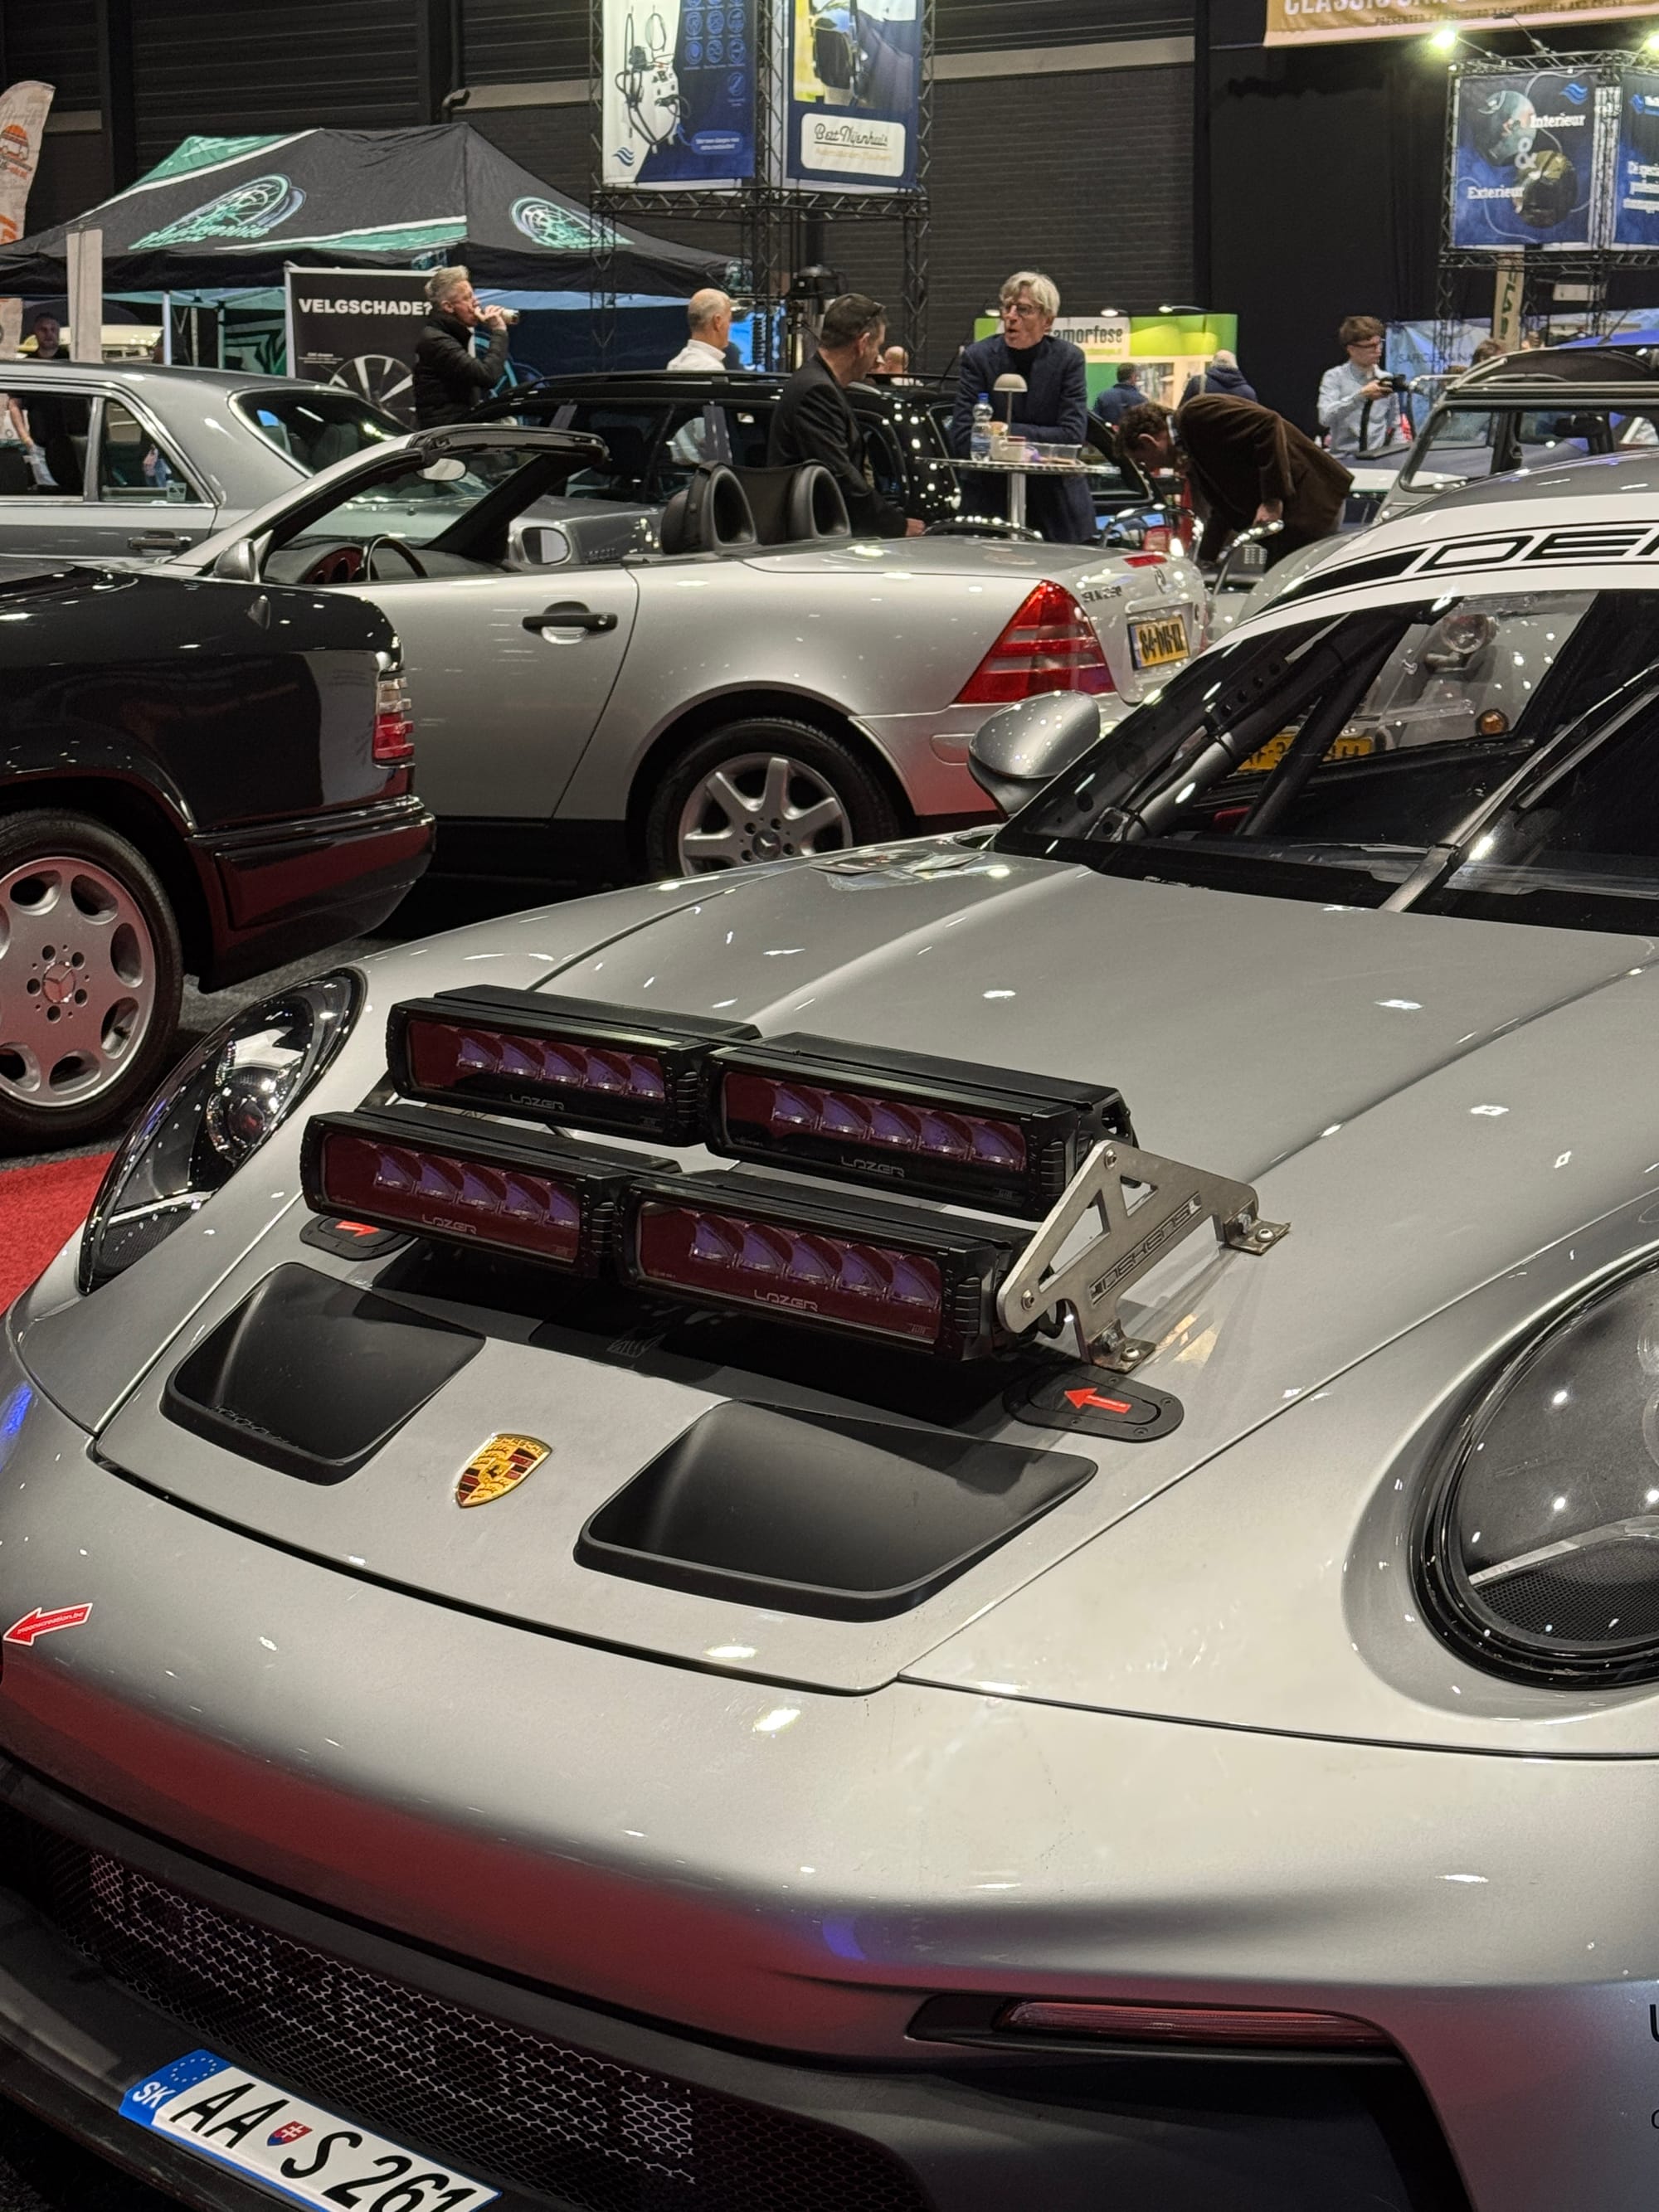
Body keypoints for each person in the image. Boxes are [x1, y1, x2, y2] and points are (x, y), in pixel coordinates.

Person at [1119, 394, 1351, 570]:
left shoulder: (1196, 414)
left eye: (1142, 460)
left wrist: (1272, 500)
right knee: (1278, 589)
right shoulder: (1192, 447)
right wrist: (1203, 562)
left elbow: (1268, 423)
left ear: (1148, 441)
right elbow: (1221, 509)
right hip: (1298, 515)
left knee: (1286, 592)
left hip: (1313, 503)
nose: (1150, 467)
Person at [951, 270, 1093, 543]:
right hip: (990, 508)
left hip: (1056, 510)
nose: (1011, 316)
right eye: (1007, 307)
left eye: (1024, 310)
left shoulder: (1068, 360)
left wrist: (1004, 431)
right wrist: (1035, 438)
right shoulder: (978, 358)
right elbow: (962, 437)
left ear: (1047, 321)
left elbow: (1072, 436)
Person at [767, 293, 925, 538]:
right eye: (877, 347)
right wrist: (897, 526)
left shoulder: (817, 383)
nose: (877, 357)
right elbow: (840, 476)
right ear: (862, 344)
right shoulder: (816, 391)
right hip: (812, 541)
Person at [411, 267, 509, 429]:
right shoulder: (436, 340)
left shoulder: (446, 335)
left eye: (473, 295)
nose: (476, 302)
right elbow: (487, 376)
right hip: (444, 435)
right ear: (448, 307)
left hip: (452, 429)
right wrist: (499, 331)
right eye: (467, 298)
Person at [1316, 314, 1408, 463]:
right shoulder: (1334, 377)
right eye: (1370, 346)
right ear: (1352, 349)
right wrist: (1360, 396)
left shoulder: (1386, 379)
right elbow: (1325, 418)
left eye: (1380, 343)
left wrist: (1401, 460)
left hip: (1378, 459)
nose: (1378, 350)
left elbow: (1395, 425)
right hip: (1344, 460)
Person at [21, 309, 85, 493]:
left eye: (53, 329)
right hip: (41, 444)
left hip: (73, 443)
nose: (49, 334)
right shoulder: (28, 365)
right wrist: (26, 439)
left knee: (76, 492)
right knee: (49, 495)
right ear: (35, 332)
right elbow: (15, 404)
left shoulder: (71, 362)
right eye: (43, 329)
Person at [666, 289, 734, 372]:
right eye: (729, 320)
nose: (730, 326)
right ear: (717, 321)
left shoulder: (674, 364)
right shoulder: (712, 368)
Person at [1180, 348, 1257, 406]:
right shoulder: (1248, 393)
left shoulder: (1198, 383)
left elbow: (1181, 414)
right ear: (1236, 366)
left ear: (1212, 364)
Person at [1091, 364, 1146, 430]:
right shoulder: (1142, 400)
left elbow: (1094, 423)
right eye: (1136, 376)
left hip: (1108, 435)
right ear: (1133, 377)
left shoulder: (1103, 396)